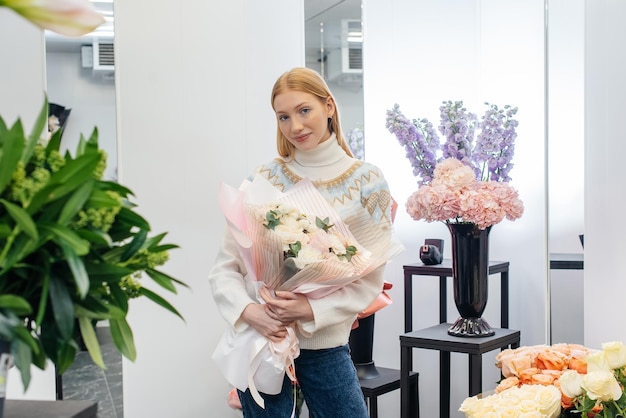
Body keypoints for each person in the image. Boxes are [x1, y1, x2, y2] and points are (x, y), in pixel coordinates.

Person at [209, 67, 401, 417]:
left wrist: (310, 310)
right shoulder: (264, 178)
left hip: (325, 347)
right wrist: (250, 312)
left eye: (304, 111)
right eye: (284, 116)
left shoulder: (367, 180)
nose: (295, 126)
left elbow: (369, 280)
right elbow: (226, 267)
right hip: (262, 343)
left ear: (328, 106)